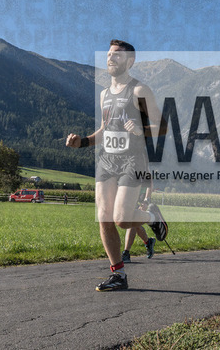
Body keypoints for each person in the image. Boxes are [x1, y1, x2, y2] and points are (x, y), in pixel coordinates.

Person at [66, 39, 167, 291]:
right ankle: (118, 274)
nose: (111, 58)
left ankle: (153, 218)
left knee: (122, 219)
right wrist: (83, 142)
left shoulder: (139, 90)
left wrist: (141, 129)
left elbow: (162, 126)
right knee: (104, 217)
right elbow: (105, 129)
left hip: (132, 160)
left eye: (117, 55)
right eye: (109, 54)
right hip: (107, 160)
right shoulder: (104, 94)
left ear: (129, 62)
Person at [122, 181, 156, 262]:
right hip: (129, 198)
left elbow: (149, 183)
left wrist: (146, 200)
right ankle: (148, 242)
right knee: (135, 225)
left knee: (132, 223)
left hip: (141, 199)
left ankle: (126, 253)